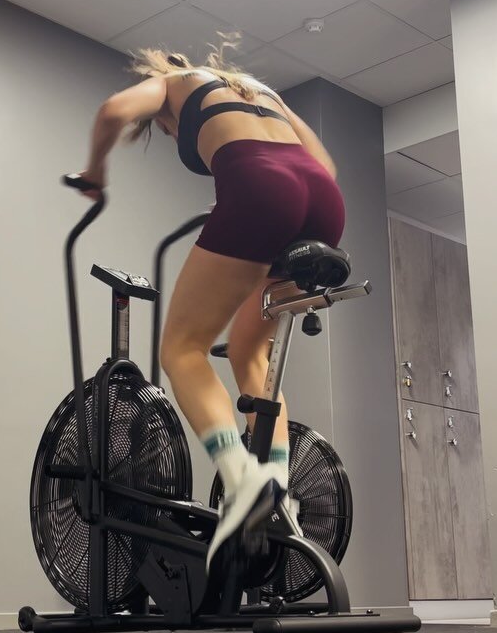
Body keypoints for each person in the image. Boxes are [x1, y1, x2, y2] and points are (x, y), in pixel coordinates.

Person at [78, 38, 345, 571]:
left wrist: (95, 173)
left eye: (166, 131)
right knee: (250, 351)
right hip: (323, 202)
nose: (170, 132)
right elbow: (324, 167)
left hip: (260, 190)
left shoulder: (171, 84)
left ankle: (243, 482)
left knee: (182, 350)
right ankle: (275, 486)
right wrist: (253, 192)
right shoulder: (261, 91)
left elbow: (112, 111)